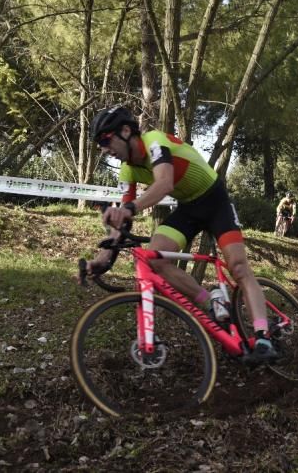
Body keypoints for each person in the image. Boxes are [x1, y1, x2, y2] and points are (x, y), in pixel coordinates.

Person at [83, 106, 278, 362]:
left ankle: (264, 337)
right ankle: (212, 302)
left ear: (126, 131)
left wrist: (129, 208)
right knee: (154, 259)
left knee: (239, 267)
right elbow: (121, 224)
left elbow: (165, 183)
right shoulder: (127, 170)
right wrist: (101, 259)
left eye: (106, 140)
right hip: (188, 208)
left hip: (215, 200)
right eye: (100, 145)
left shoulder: (154, 140)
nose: (105, 149)